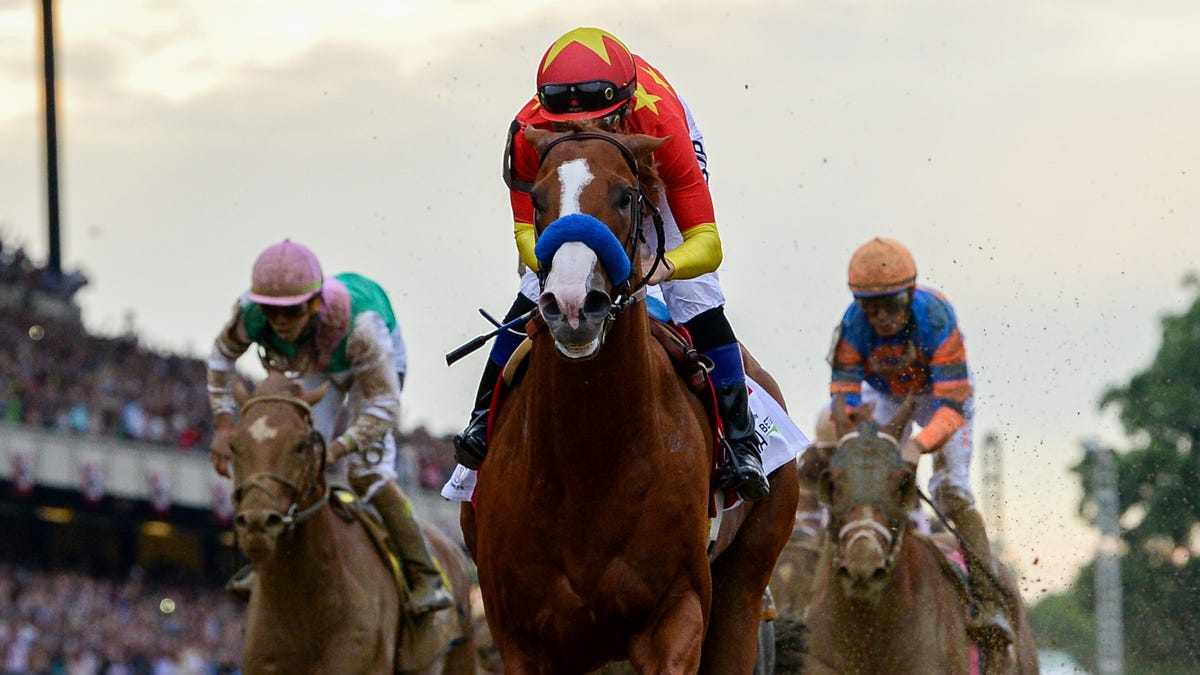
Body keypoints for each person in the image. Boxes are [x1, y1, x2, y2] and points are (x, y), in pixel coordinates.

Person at [452, 26, 769, 500]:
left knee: (695, 297)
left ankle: (741, 445)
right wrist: (551, 270)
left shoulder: (659, 121)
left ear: (623, 107)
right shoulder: (527, 133)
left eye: (598, 123)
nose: (581, 136)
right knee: (531, 292)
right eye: (564, 128)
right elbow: (524, 235)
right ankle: (482, 420)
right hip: (576, 188)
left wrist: (655, 268)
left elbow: (707, 245)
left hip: (652, 172)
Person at [206, 239, 452, 615]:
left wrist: (336, 450)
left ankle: (426, 574)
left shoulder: (364, 330)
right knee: (294, 457)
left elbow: (385, 407)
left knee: (366, 473)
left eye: (291, 311)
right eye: (271, 311)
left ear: (315, 303)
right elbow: (221, 356)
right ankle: (270, 564)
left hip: (372, 365)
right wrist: (224, 425)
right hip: (318, 362)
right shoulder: (248, 313)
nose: (280, 322)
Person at [827, 236, 1013, 646]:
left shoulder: (936, 316)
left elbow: (952, 405)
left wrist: (917, 445)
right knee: (863, 476)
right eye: (870, 306)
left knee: (950, 489)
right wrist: (855, 436)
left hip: (940, 397)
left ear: (910, 293)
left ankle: (988, 601)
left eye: (891, 303)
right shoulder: (852, 325)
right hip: (886, 395)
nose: (881, 316)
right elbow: (842, 395)